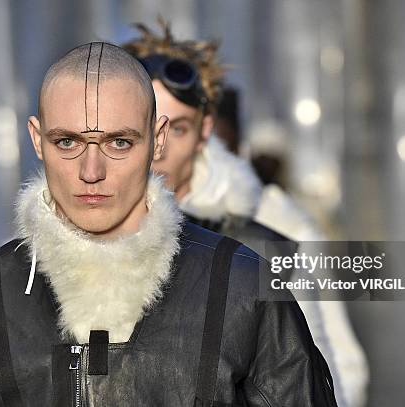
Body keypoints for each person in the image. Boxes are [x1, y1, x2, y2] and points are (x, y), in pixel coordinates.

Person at [0, 42, 336, 406]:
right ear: (36, 140)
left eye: (119, 142)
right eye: (68, 141)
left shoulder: (246, 286)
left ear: (158, 140)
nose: (92, 170)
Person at [124, 22, 368, 407]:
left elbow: (332, 377)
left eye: (179, 128)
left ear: (205, 131)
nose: (159, 147)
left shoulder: (272, 235)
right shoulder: (63, 233)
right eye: (146, 126)